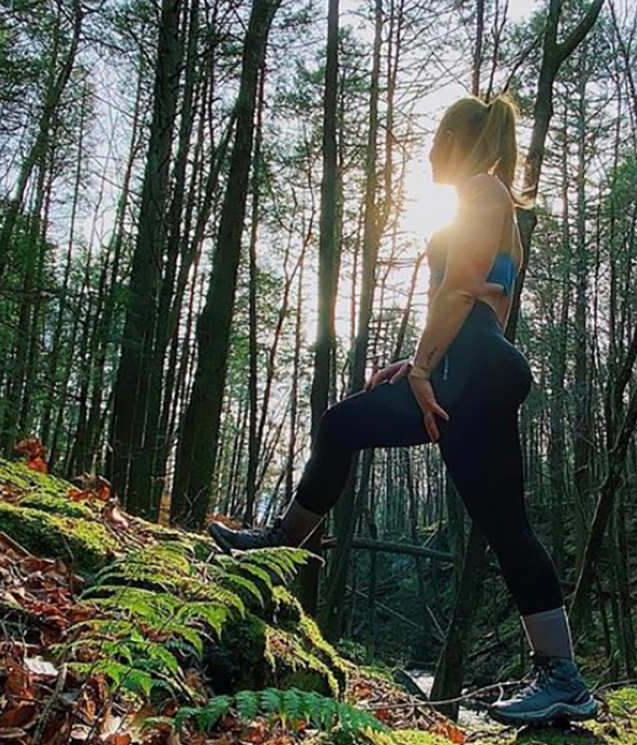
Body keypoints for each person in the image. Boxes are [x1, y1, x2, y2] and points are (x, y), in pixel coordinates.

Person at [208, 93, 595, 725]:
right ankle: (277, 546)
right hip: (467, 370)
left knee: (499, 521)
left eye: (435, 141)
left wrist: (425, 367)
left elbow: (463, 287)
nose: (428, 153)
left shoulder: (482, 191)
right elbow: (483, 305)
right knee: (353, 430)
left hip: (469, 375)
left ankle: (562, 678)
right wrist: (419, 361)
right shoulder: (493, 202)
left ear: (450, 141)